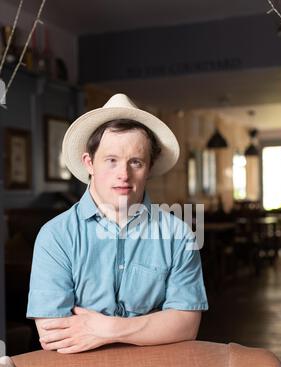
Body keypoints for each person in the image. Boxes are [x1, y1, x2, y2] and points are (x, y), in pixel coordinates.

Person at [26, 93, 208, 353]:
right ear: (89, 163)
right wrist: (152, 326)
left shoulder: (178, 235)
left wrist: (107, 329)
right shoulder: (56, 236)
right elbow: (54, 334)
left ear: (149, 167)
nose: (123, 174)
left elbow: (187, 325)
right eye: (111, 160)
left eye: (135, 162)